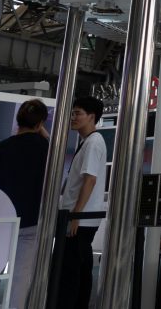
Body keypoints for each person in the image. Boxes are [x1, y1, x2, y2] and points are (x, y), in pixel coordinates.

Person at [0, 100, 50, 309]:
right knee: (20, 281)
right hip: (31, 222)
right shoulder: (48, 152)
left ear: (17, 120)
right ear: (41, 123)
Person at [56, 96, 107, 309]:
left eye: (78, 113)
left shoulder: (93, 143)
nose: (73, 117)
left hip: (80, 219)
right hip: (81, 218)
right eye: (73, 113)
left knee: (70, 271)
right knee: (80, 269)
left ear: (92, 117)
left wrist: (76, 215)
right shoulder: (88, 141)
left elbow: (90, 180)